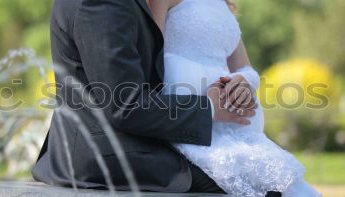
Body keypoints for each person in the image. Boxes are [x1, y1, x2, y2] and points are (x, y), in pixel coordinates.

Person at [32, 0, 260, 195]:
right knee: (246, 182)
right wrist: (209, 107)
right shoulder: (102, 4)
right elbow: (126, 105)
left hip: (130, 138)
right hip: (105, 152)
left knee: (259, 174)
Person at [148, 0, 322, 196]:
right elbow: (151, 55)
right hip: (190, 123)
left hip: (232, 128)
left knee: (287, 186)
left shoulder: (223, 4)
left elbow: (245, 68)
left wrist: (243, 81)